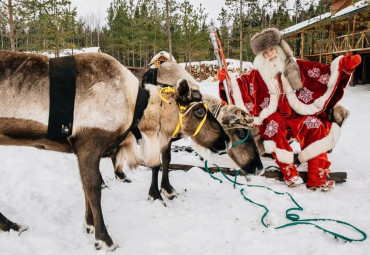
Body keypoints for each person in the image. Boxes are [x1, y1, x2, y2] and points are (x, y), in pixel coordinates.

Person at [218, 28, 361, 190]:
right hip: (274, 116)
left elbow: (322, 74)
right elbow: (240, 86)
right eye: (265, 53)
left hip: (299, 113)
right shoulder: (257, 74)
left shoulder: (297, 66)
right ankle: (289, 173)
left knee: (315, 127)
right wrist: (227, 81)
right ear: (261, 56)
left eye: (272, 49)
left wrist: (344, 66)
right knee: (273, 127)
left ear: (278, 48)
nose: (270, 54)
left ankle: (317, 177)